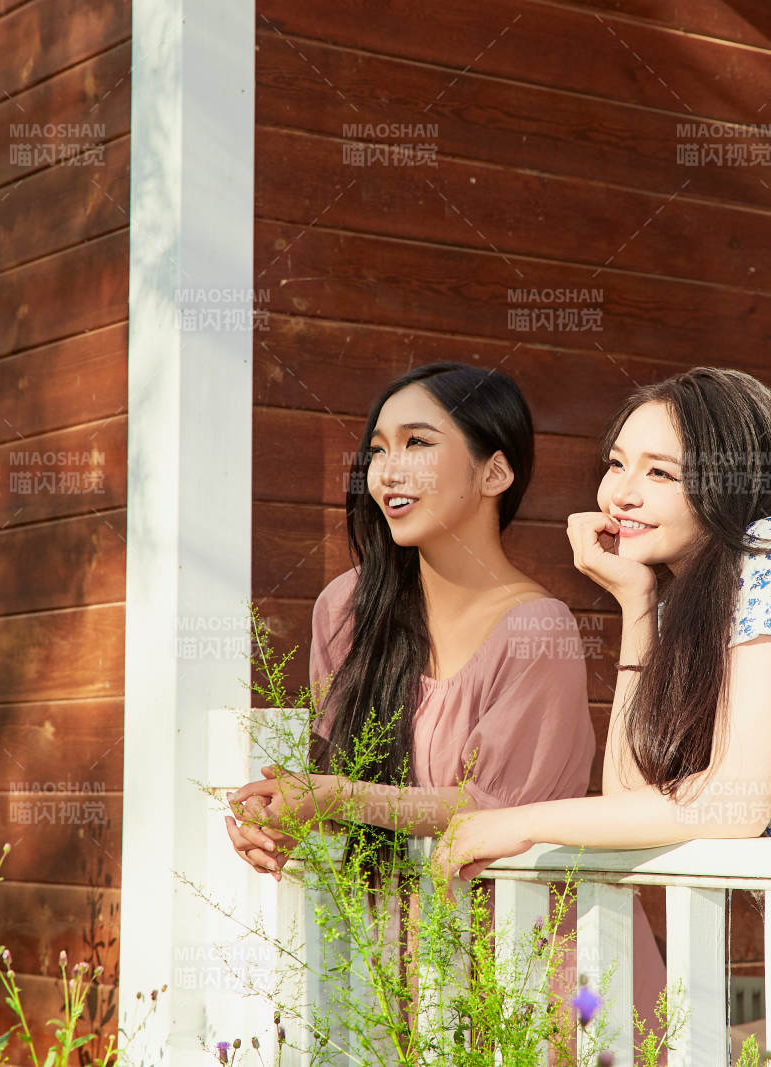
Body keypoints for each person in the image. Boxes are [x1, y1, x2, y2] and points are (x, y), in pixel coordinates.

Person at [430, 366, 771, 1064]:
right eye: (616, 463)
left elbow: (734, 802)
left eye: (660, 472)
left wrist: (515, 820)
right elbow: (631, 800)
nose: (621, 492)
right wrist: (636, 606)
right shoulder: (686, 603)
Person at [222, 361, 669, 1058]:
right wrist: (278, 816)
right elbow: (338, 775)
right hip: (412, 970)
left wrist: (337, 794)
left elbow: (496, 809)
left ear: (495, 474)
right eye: (377, 450)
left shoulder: (537, 629)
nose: (388, 470)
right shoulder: (345, 611)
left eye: (418, 444)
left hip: (543, 973)